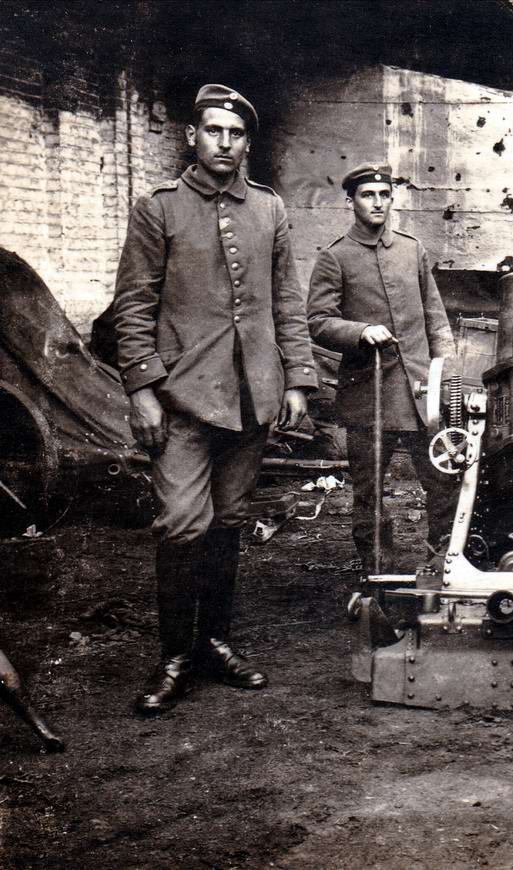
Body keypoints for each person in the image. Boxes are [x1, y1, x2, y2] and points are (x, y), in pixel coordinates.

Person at [113, 84, 317, 715]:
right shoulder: (159, 208)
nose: (225, 143)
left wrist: (298, 379)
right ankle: (175, 657)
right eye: (213, 131)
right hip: (183, 398)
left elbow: (287, 302)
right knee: (183, 522)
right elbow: (133, 306)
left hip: (252, 397)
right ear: (191, 137)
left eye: (236, 133)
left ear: (246, 142)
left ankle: (214, 643)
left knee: (228, 519)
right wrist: (143, 389)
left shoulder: (269, 209)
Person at [307, 162, 458, 578]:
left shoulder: (412, 250)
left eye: (384, 195)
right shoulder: (335, 257)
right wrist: (360, 331)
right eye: (367, 195)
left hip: (421, 396)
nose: (377, 203)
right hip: (368, 397)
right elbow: (317, 321)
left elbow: (435, 317)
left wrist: (446, 376)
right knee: (370, 492)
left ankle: (441, 563)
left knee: (444, 481)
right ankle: (378, 572)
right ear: (351, 201)